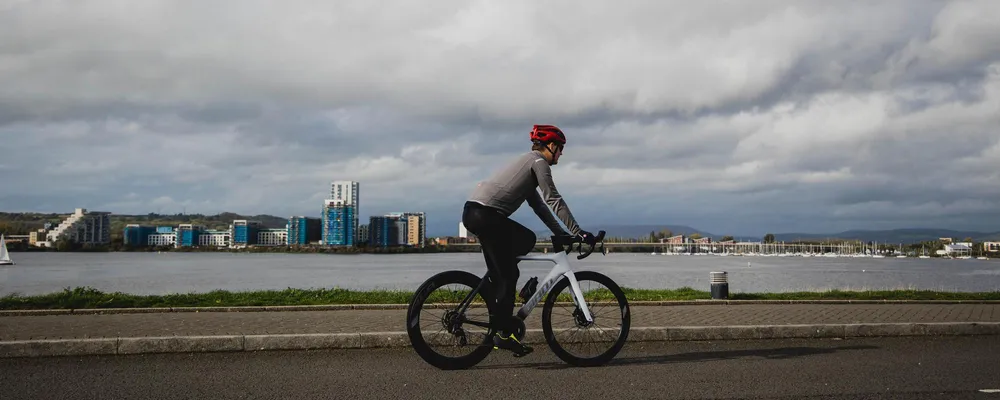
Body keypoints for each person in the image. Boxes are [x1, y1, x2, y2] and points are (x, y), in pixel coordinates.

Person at [462, 124, 595, 357]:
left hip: (476, 213)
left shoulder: (528, 166)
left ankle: (499, 302)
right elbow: (553, 199)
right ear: (551, 146)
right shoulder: (538, 163)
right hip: (485, 215)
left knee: (504, 272)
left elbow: (540, 208)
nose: (561, 154)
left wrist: (563, 234)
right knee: (524, 246)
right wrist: (579, 231)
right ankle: (503, 333)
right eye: (561, 149)